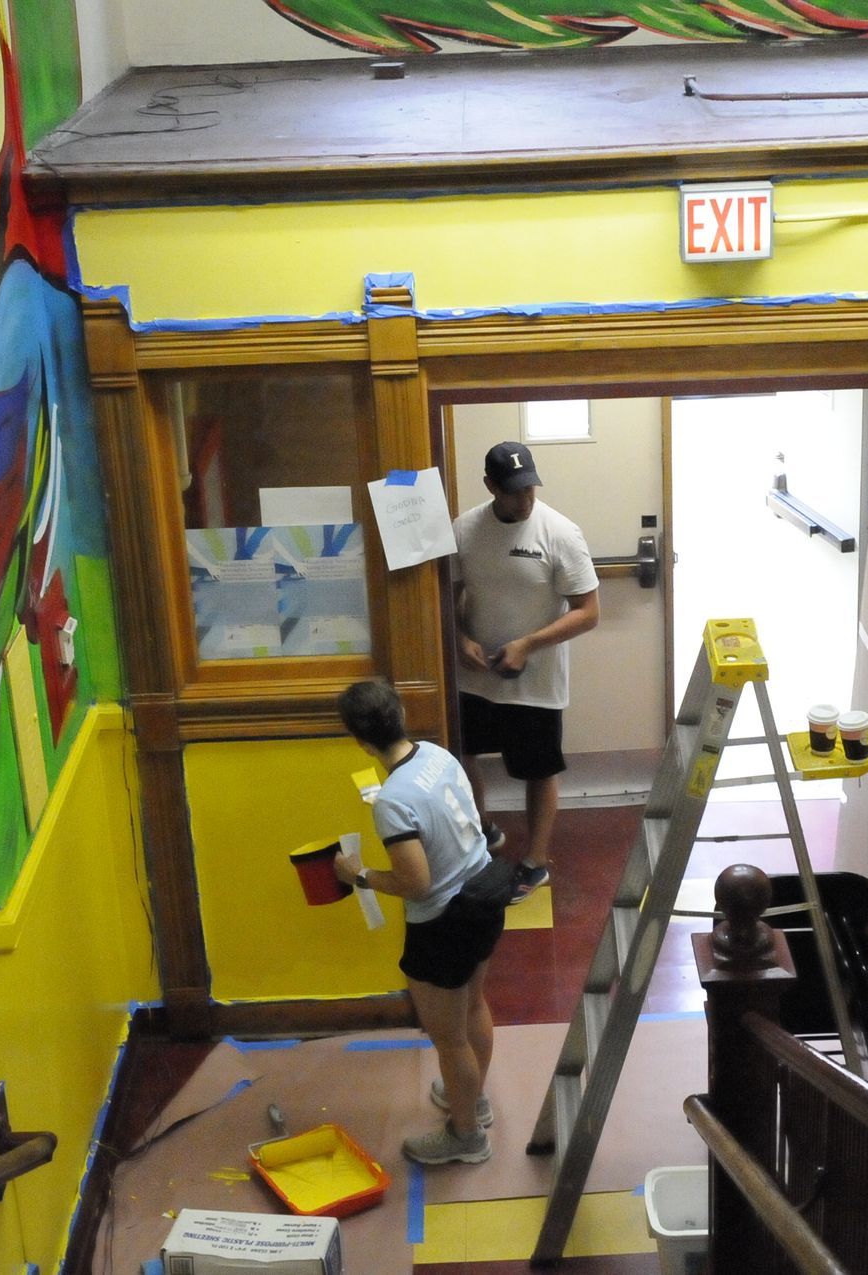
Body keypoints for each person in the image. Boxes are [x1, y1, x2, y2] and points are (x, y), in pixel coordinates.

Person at [333, 679, 508, 1166]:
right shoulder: (437, 755)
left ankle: (466, 1135)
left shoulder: (393, 801)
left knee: (449, 1039)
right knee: (473, 1007)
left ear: (362, 742)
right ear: (401, 715)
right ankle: (472, 1099)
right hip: (483, 896)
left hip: (442, 922)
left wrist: (359, 874)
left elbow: (416, 882)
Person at [452, 440, 600, 902]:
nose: (524, 499)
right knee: (463, 757)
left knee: (538, 770)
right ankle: (482, 832)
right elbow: (447, 594)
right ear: (491, 486)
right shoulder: (465, 529)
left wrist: (528, 644)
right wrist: (460, 639)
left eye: (530, 488)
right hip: (474, 675)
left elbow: (589, 612)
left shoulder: (560, 533)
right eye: (513, 490)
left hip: (534, 681)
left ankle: (535, 863)